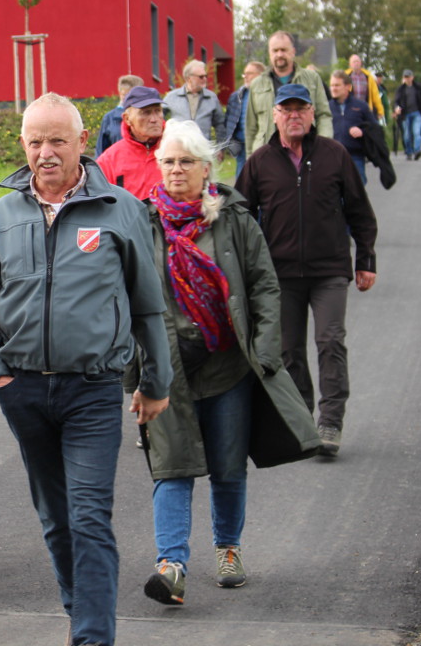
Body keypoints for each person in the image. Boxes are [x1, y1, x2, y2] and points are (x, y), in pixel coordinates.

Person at [0, 92, 172, 646]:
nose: (46, 152)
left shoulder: (120, 210)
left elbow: (148, 304)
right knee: (56, 520)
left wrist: (156, 382)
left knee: (88, 518)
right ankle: (81, 612)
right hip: (23, 391)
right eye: (35, 141)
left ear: (83, 142)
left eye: (58, 140)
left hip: (94, 391)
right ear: (23, 145)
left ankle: (92, 637)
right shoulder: (3, 216)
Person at [135, 119, 319, 607]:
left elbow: (263, 284)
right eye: (169, 161)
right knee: (170, 466)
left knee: (228, 466)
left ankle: (228, 549)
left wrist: (264, 350)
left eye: (186, 162)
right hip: (167, 370)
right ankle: (171, 564)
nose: (176, 170)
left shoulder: (234, 219)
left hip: (228, 367)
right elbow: (125, 299)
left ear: (206, 167)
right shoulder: (142, 221)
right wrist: (138, 372)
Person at [235, 84, 377, 459]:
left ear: (313, 115)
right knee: (289, 351)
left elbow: (360, 211)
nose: (294, 115)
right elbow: (241, 218)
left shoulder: (335, 155)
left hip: (329, 269)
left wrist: (365, 260)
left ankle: (330, 421)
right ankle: (302, 422)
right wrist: (247, 268)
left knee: (330, 341)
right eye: (287, 109)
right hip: (280, 274)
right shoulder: (260, 161)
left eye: (301, 109)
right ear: (275, 115)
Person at [245, 31, 332, 151]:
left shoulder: (312, 79)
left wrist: (323, 145)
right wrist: (251, 158)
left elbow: (324, 115)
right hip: (267, 154)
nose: (279, 54)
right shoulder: (257, 84)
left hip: (305, 151)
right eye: (275, 50)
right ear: (269, 53)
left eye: (284, 50)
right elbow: (251, 126)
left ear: (293, 51)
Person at [96, 85, 166, 200]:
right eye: (146, 112)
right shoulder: (109, 161)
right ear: (127, 119)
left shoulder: (176, 150)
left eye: (158, 111)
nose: (154, 119)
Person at [329, 70, 378, 184]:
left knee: (357, 192)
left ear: (348, 87)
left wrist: (362, 132)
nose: (333, 88)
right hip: (332, 157)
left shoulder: (361, 106)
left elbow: (375, 128)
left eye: (337, 85)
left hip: (355, 157)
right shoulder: (327, 107)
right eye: (331, 85)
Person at [162, 60, 224, 141]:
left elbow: (220, 124)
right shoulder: (172, 96)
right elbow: (159, 117)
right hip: (179, 147)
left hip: (203, 148)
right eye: (201, 77)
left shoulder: (211, 97)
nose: (205, 79)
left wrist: (220, 148)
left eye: (206, 76)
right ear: (189, 78)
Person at [222, 61, 264, 178]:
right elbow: (229, 118)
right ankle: (241, 195)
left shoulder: (265, 95)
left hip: (259, 143)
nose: (246, 77)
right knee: (241, 175)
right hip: (241, 144)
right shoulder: (237, 96)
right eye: (244, 74)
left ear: (260, 75)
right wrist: (230, 139)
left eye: (250, 73)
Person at [95, 74, 144, 157]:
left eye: (132, 96)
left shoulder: (146, 117)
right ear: (120, 93)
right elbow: (100, 151)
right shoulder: (109, 118)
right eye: (125, 95)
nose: (128, 99)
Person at [393, 69, 421, 161]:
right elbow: (396, 101)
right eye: (405, 77)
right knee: (407, 135)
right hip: (405, 115)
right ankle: (409, 151)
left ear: (412, 77)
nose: (407, 79)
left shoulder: (418, 88)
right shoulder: (401, 89)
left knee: (417, 133)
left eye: (408, 77)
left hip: (417, 113)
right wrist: (397, 108)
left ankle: (417, 151)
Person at [347, 54, 385, 124]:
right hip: (351, 110)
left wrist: (380, 111)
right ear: (350, 64)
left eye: (357, 61)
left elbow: (375, 94)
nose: (356, 63)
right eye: (354, 62)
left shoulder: (368, 77)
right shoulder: (346, 76)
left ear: (361, 63)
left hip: (366, 109)